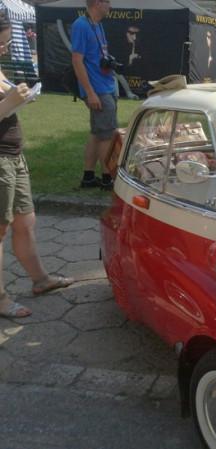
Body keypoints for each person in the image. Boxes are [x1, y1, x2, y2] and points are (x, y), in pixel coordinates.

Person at [0, 13, 74, 318]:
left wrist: (22, 97)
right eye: (1, 43)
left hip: (14, 157)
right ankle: (0, 298)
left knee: (26, 222)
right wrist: (8, 103)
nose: (5, 49)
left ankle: (40, 280)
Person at [71, 0, 117, 190]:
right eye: (107, 2)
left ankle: (88, 177)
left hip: (105, 85)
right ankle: (108, 179)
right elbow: (77, 60)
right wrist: (90, 93)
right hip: (97, 90)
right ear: (97, 3)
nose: (110, 6)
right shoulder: (81, 25)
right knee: (107, 135)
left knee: (97, 134)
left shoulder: (97, 25)